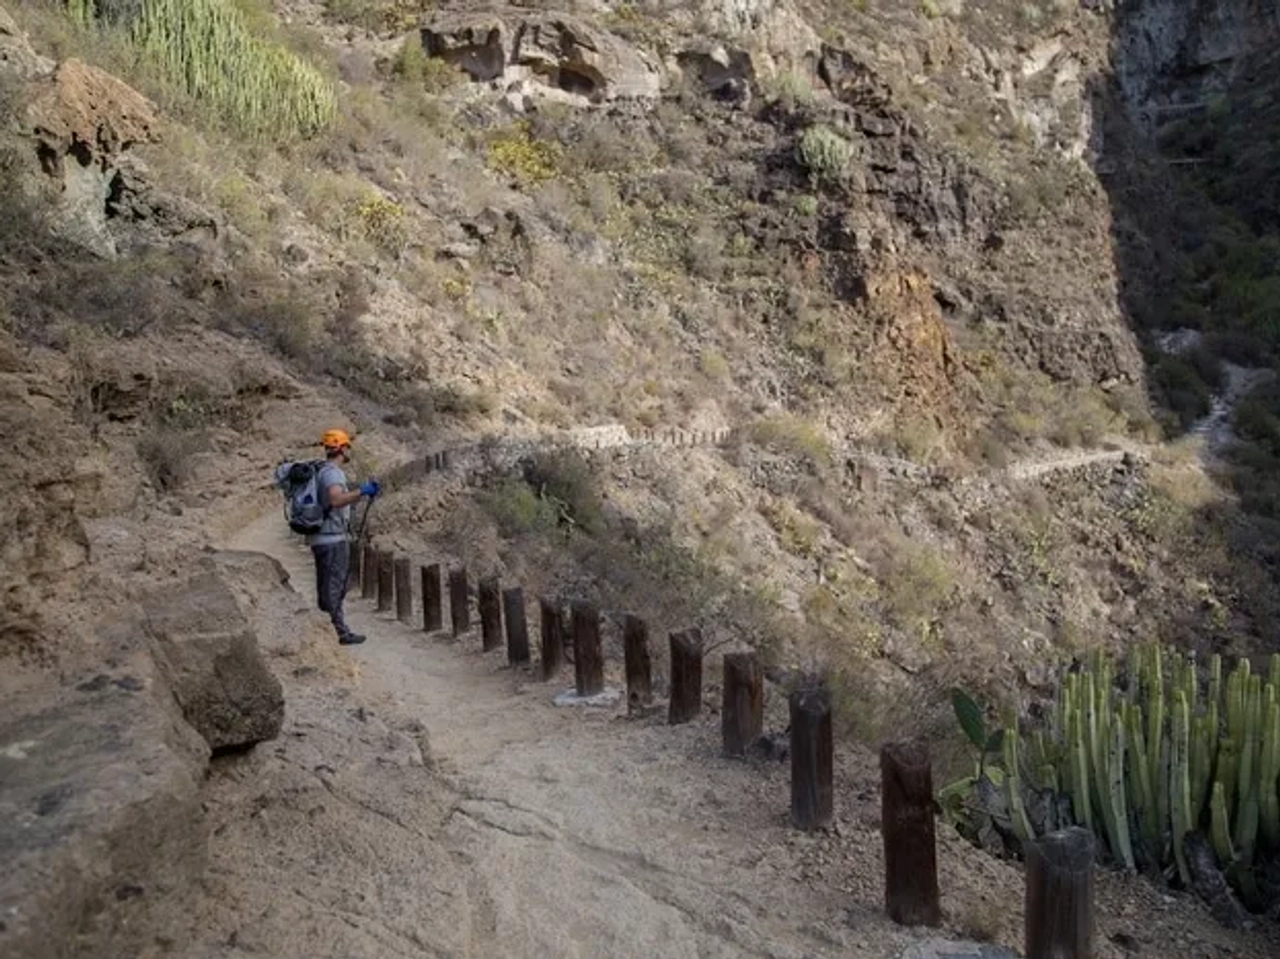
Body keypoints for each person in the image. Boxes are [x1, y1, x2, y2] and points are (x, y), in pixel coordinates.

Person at [310, 429, 380, 646]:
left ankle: (326, 626)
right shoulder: (332, 473)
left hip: (322, 538)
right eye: (347, 446)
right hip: (331, 539)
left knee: (329, 584)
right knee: (335, 585)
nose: (349, 450)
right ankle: (338, 632)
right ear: (341, 448)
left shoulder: (322, 470)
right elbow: (336, 499)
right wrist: (363, 491)